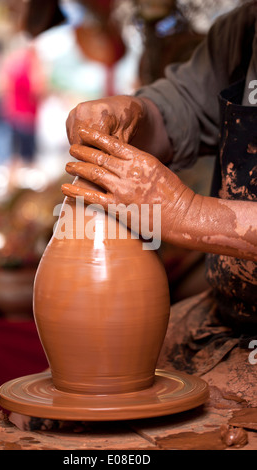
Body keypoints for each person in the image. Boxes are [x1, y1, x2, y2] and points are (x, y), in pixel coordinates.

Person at [62, 1, 257, 403]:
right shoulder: (244, 31)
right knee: (80, 395)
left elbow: (186, 211)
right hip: (231, 315)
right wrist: (129, 113)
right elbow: (177, 108)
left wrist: (189, 212)